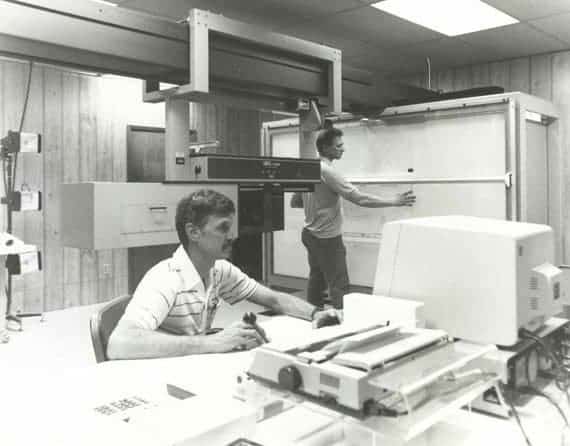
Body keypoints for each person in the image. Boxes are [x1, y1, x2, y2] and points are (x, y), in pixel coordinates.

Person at [107, 189, 341, 360]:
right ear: (193, 232)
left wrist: (316, 313)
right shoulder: (166, 278)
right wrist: (211, 342)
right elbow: (120, 343)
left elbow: (273, 299)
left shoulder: (218, 269)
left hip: (189, 367)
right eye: (223, 228)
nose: (232, 236)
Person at [291, 125, 416, 310]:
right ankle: (344, 323)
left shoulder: (309, 168)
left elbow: (295, 201)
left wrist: (319, 203)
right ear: (325, 148)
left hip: (309, 233)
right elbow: (360, 198)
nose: (343, 149)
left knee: (316, 278)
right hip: (326, 238)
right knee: (338, 283)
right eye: (338, 146)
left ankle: (313, 315)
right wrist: (394, 201)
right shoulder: (328, 172)